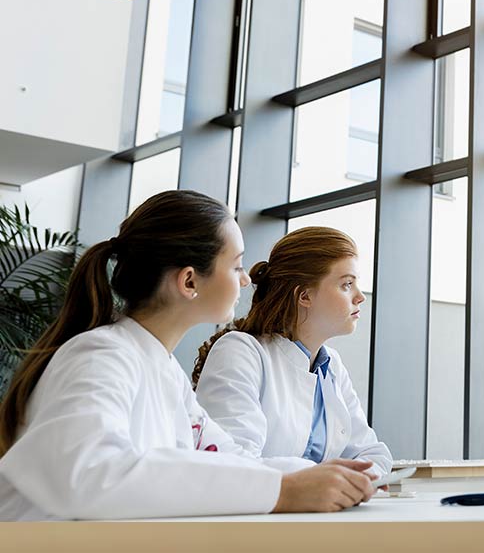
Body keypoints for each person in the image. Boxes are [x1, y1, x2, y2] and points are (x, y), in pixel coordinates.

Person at [0, 191, 376, 520]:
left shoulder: (162, 371)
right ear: (190, 281)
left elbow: (229, 459)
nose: (246, 280)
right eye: (236, 266)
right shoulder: (100, 356)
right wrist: (283, 490)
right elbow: (88, 473)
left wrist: (320, 478)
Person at [193, 227, 391, 476]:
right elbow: (230, 462)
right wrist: (322, 477)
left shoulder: (331, 366)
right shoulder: (241, 351)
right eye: (347, 284)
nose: (360, 296)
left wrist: (347, 481)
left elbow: (372, 453)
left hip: (321, 511)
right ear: (304, 295)